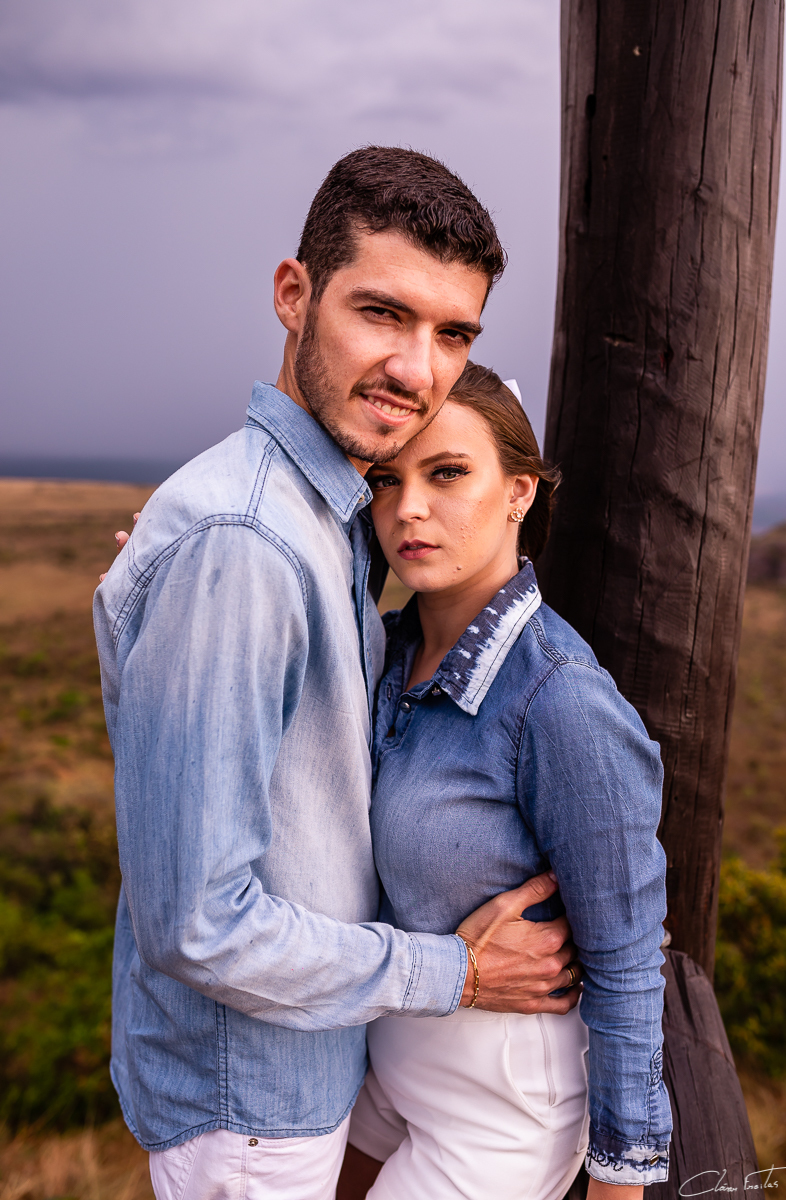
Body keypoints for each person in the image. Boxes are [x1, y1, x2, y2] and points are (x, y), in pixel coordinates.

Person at [94, 148, 582, 1200]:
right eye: (381, 314)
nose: (417, 368)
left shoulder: (313, 522)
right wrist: (454, 973)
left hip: (298, 1083)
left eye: (452, 333)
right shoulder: (247, 543)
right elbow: (199, 924)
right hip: (250, 1114)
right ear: (293, 296)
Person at [337, 364, 672, 1199]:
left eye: (447, 472)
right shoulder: (384, 654)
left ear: (520, 491)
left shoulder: (560, 701)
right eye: (387, 479)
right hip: (388, 1066)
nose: (408, 508)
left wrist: (620, 1181)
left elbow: (629, 963)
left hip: (501, 1107)